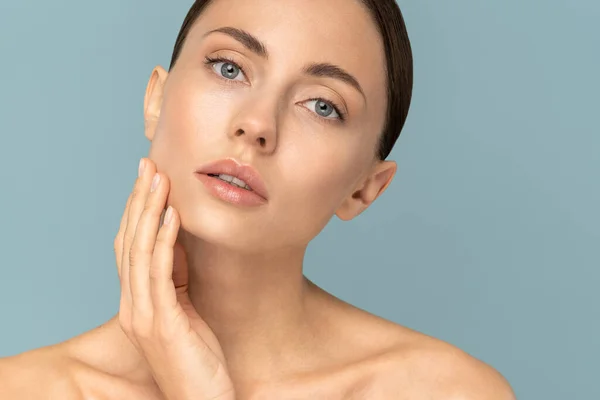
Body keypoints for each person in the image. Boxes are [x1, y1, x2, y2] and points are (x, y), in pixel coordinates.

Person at [0, 0, 516, 398]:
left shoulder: (445, 392)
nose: (257, 125)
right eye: (229, 68)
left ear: (365, 188)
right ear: (156, 98)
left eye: (321, 105)